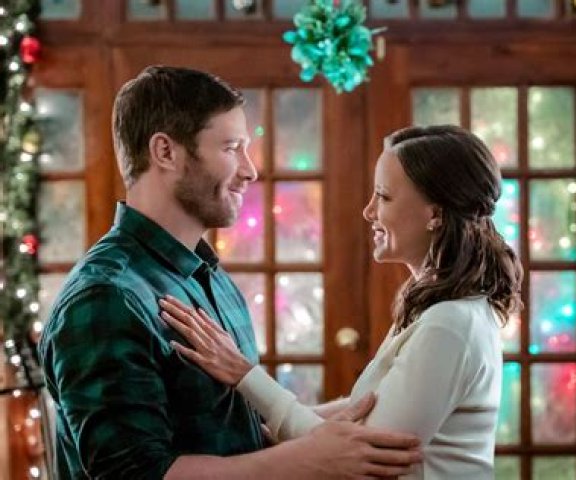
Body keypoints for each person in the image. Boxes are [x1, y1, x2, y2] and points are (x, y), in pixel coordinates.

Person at [38, 65, 423, 480]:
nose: (249, 170)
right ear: (165, 152)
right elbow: (137, 475)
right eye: (231, 148)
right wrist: (306, 460)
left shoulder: (208, 277)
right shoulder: (107, 297)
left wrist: (338, 419)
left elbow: (238, 436)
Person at [160, 124, 524, 479]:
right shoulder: (434, 306)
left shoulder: (449, 324)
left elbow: (363, 458)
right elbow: (363, 411)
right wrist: (260, 424)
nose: (369, 211)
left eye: (384, 196)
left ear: (435, 214)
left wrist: (244, 375)